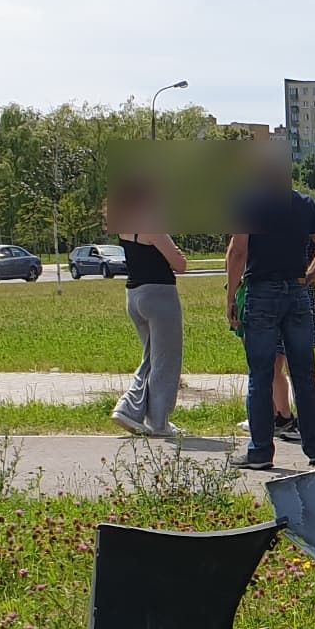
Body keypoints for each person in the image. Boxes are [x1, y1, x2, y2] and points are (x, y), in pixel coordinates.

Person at [227, 148, 315, 471]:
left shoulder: (248, 203)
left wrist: (231, 296)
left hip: (261, 293)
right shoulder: (304, 205)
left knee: (260, 374)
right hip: (296, 294)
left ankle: (261, 451)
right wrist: (309, 277)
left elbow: (238, 251)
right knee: (304, 373)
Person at [106, 175, 189, 438]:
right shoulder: (152, 224)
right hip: (160, 295)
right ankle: (158, 421)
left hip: (134, 295)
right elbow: (180, 264)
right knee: (167, 359)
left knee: (152, 356)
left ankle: (132, 410)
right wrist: (177, 254)